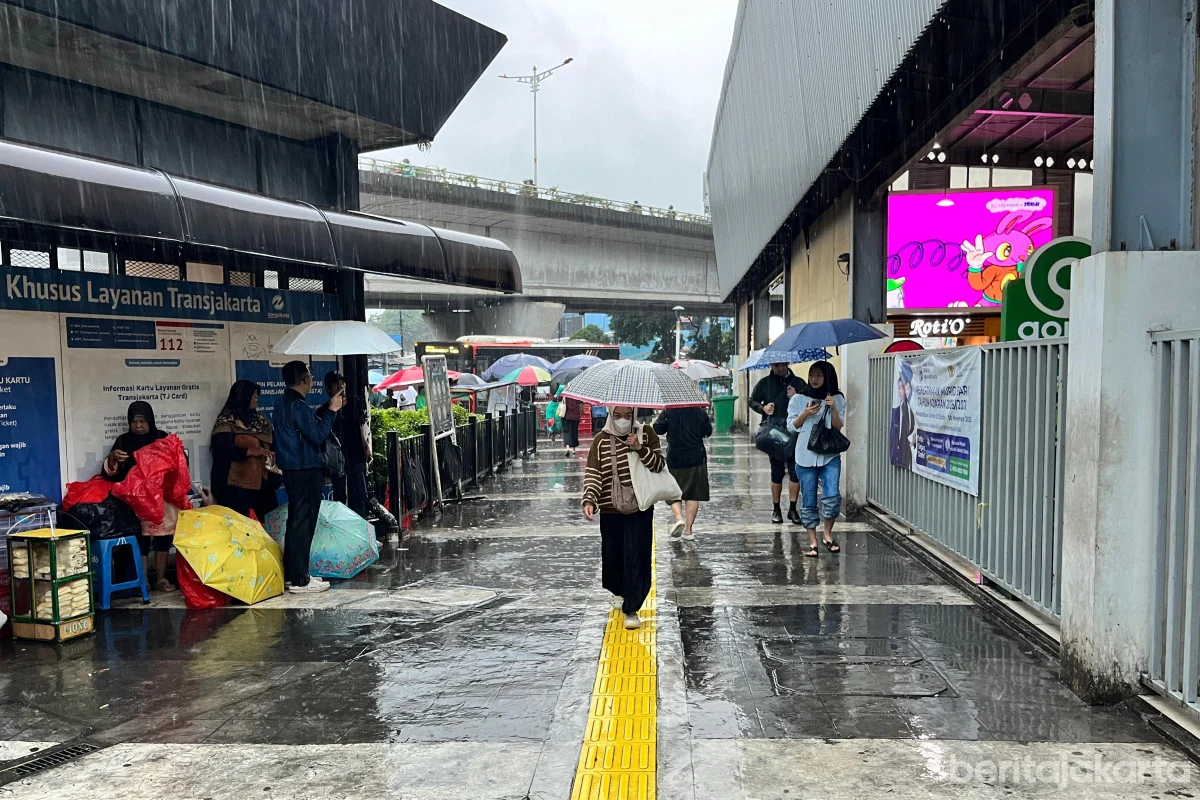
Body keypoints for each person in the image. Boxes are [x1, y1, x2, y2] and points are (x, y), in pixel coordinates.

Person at [581, 406, 666, 631]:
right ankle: (618, 591)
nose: (622, 420)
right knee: (613, 556)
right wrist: (590, 499)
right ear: (610, 414)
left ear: (634, 415)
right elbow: (593, 472)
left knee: (636, 556)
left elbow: (659, 465)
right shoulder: (600, 440)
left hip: (640, 507)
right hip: (610, 510)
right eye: (617, 415)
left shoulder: (646, 434)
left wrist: (639, 448)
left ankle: (632, 607)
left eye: (628, 416)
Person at [273, 361, 344, 594]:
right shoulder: (298, 406)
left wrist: (325, 409)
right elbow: (316, 435)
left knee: (296, 522)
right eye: (310, 376)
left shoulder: (282, 403)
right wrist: (332, 411)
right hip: (305, 470)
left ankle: (295, 574)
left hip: (292, 470)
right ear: (305, 380)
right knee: (304, 523)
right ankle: (300, 579)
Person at [102, 401, 175, 591]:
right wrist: (112, 458)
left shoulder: (162, 438)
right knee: (141, 538)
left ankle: (161, 578)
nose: (138, 426)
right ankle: (144, 580)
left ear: (150, 420)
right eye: (134, 422)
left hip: (161, 499)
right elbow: (111, 474)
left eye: (142, 421)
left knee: (163, 538)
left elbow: (177, 464)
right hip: (135, 500)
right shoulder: (123, 441)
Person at [787, 361, 846, 558]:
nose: (814, 378)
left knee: (832, 498)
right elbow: (791, 427)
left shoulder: (837, 398)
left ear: (828, 377)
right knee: (809, 499)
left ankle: (827, 534)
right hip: (805, 456)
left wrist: (834, 408)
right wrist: (805, 413)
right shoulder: (798, 399)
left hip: (829, 455)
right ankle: (813, 542)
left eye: (819, 375)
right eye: (812, 374)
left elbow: (838, 427)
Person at [749, 361, 808, 524]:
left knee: (795, 471)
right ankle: (776, 509)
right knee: (776, 471)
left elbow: (809, 403)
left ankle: (792, 509)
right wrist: (763, 408)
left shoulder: (798, 383)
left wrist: (797, 396)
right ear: (771, 366)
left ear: (788, 363)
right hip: (774, 431)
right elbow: (752, 401)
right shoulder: (765, 383)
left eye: (782, 365)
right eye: (776, 366)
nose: (780, 368)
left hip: (794, 430)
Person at [210, 380, 279, 522]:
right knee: (242, 526)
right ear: (242, 397)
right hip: (237, 488)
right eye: (253, 395)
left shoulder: (261, 419)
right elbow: (221, 451)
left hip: (263, 486)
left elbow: (273, 444)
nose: (256, 398)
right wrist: (251, 451)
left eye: (257, 394)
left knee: (265, 526)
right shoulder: (227, 421)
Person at [654, 407, 712, 541]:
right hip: (696, 457)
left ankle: (679, 518)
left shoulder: (670, 410)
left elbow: (658, 428)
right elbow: (708, 432)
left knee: (674, 491)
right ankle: (688, 530)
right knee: (693, 493)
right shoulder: (699, 411)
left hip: (675, 457)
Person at [324, 371, 370, 519]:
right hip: (338, 460)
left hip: (356, 455)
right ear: (328, 389)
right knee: (340, 497)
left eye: (343, 384)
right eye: (337, 385)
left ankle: (361, 528)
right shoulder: (326, 410)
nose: (341, 387)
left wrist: (365, 446)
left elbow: (358, 427)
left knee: (360, 495)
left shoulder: (354, 402)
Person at [889, 360, 916, 469]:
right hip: (900, 457)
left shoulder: (911, 410)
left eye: (904, 387)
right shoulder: (897, 410)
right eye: (899, 387)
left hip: (910, 458)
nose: (902, 391)